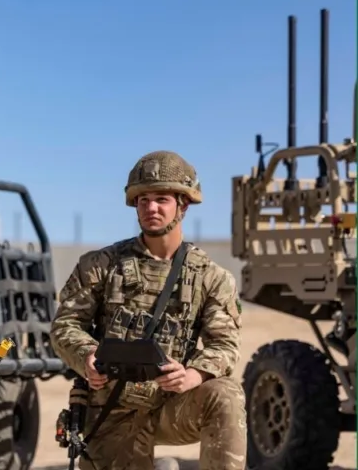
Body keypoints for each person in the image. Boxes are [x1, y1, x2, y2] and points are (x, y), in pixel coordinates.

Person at [50, 151, 247, 470]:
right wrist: (87, 356)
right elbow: (66, 325)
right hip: (110, 409)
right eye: (143, 200)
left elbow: (225, 344)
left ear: (183, 204)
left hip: (173, 406)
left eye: (161, 199)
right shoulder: (101, 266)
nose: (151, 208)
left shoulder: (211, 277)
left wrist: (193, 375)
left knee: (225, 394)